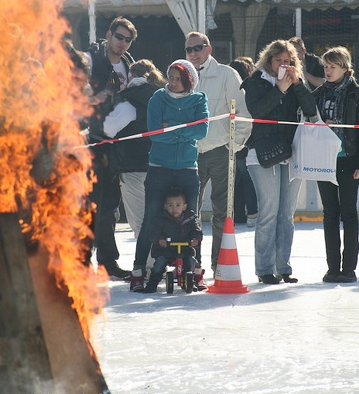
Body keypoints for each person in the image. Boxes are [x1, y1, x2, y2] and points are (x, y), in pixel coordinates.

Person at [242, 39, 317, 285]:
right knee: (268, 212)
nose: (283, 65)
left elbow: (310, 109)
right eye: (279, 61)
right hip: (262, 154)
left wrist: (297, 85)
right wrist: (280, 89)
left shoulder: (296, 82)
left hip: (291, 153)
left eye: (288, 61)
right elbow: (258, 111)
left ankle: (283, 266)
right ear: (269, 61)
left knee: (286, 214)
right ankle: (264, 269)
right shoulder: (255, 82)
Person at [130, 59, 209, 292]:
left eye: (178, 78)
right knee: (150, 219)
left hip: (187, 169)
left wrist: (171, 126)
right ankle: (138, 270)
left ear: (189, 81)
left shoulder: (199, 99)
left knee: (192, 221)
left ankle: (196, 271)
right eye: (171, 77)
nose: (172, 82)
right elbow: (156, 133)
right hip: (159, 168)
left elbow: (202, 130)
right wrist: (184, 129)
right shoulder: (158, 98)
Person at [185, 32, 251, 272]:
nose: (193, 53)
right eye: (189, 49)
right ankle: (193, 263)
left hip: (220, 151)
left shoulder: (226, 74)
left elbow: (242, 113)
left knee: (223, 211)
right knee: (189, 211)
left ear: (209, 48)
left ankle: (219, 263)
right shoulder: (183, 74)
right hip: (191, 153)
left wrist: (233, 147)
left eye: (198, 48)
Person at [84, 16, 137, 279]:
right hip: (87, 141)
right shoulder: (91, 59)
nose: (123, 43)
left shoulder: (129, 64)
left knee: (109, 206)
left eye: (128, 40)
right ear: (109, 34)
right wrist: (93, 98)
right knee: (87, 205)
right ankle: (79, 263)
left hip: (114, 145)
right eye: (119, 37)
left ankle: (107, 262)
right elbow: (68, 90)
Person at [312, 46, 359, 283]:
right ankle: (332, 267)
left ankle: (349, 268)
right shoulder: (318, 93)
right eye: (325, 66)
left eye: (333, 66)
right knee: (329, 214)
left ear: (345, 68)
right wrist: (322, 123)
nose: (328, 71)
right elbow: (307, 122)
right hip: (324, 160)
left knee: (349, 214)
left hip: (349, 160)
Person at [102, 59, 166, 239]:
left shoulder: (130, 98)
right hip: (162, 166)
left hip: (133, 166)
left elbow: (108, 129)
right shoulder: (161, 95)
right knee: (159, 218)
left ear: (131, 76)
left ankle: (148, 264)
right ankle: (160, 261)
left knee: (139, 221)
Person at [141, 186, 203, 294]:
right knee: (159, 265)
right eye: (170, 205)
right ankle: (152, 284)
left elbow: (196, 230)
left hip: (185, 249)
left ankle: (190, 280)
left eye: (178, 205)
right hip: (166, 250)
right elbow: (154, 232)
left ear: (184, 207)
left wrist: (195, 239)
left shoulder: (190, 218)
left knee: (191, 262)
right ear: (165, 206)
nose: (174, 209)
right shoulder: (161, 218)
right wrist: (160, 240)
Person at [229, 58, 258, 228]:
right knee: (246, 178)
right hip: (247, 140)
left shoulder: (232, 90)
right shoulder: (248, 89)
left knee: (237, 179)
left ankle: (238, 214)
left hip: (234, 140)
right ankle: (252, 213)